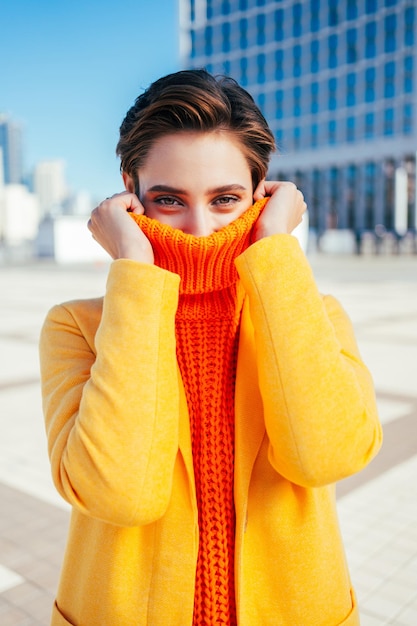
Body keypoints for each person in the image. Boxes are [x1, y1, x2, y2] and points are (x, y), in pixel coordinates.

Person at [39, 69, 382, 626]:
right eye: (169, 199)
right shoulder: (78, 327)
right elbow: (121, 494)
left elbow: (328, 457)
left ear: (262, 190)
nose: (200, 229)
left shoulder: (311, 314)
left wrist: (275, 255)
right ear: (130, 191)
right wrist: (135, 272)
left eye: (226, 199)